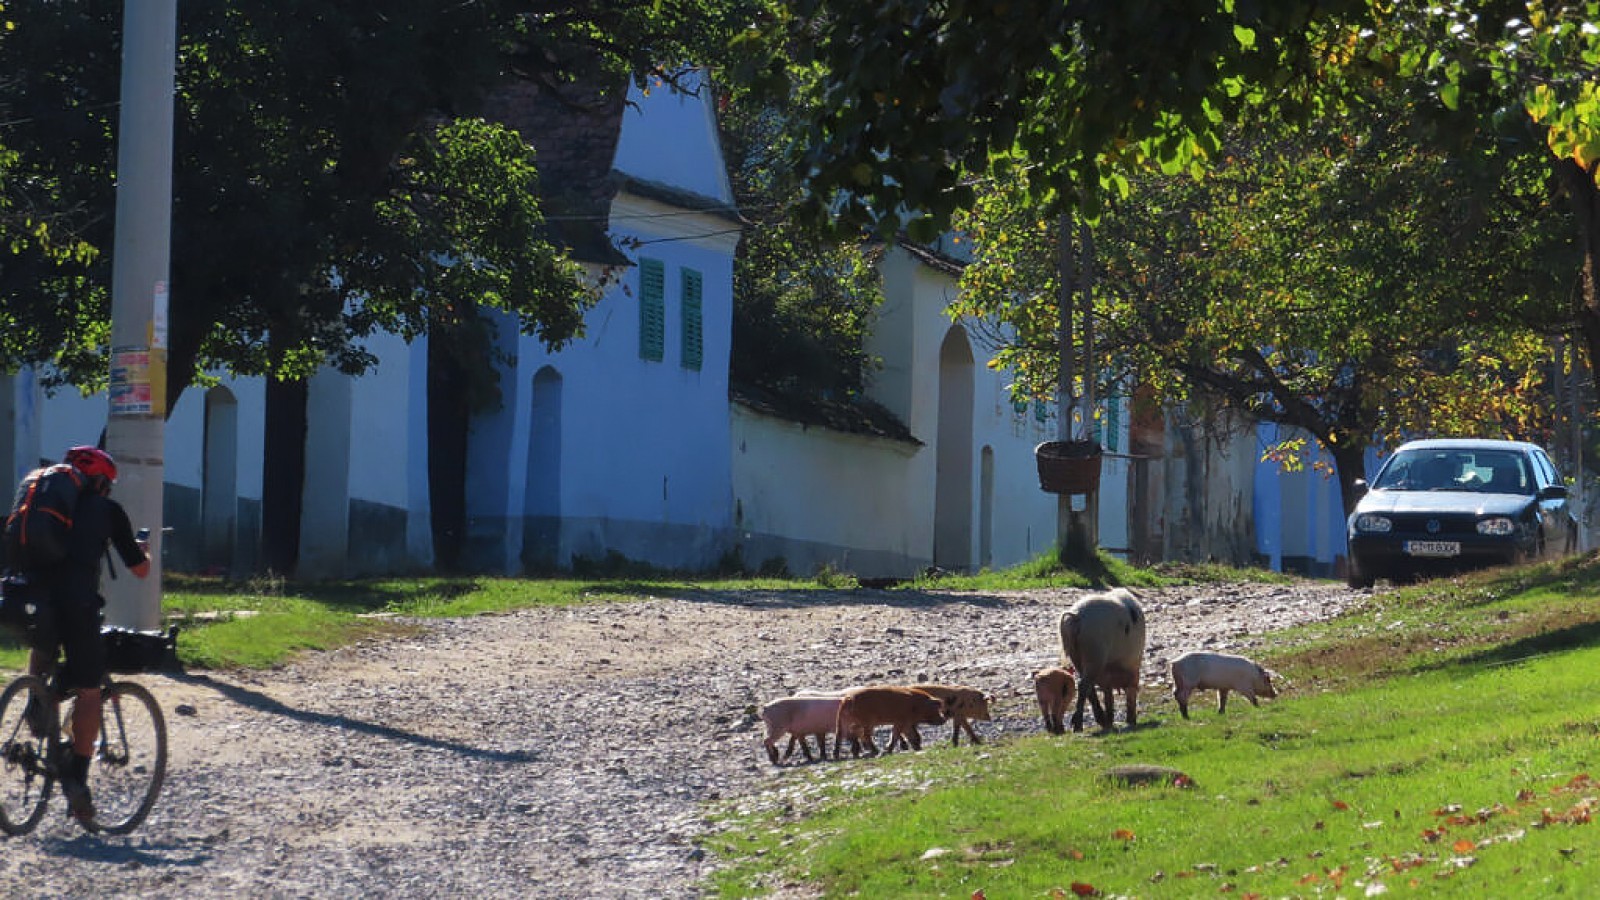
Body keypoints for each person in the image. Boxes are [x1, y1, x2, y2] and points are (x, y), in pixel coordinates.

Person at [22, 446, 149, 822]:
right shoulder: (107, 511)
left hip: (26, 597)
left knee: (45, 641)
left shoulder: (44, 503)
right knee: (91, 688)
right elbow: (139, 570)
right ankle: (77, 775)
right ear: (101, 484)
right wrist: (145, 551)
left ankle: (37, 698)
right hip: (76, 603)